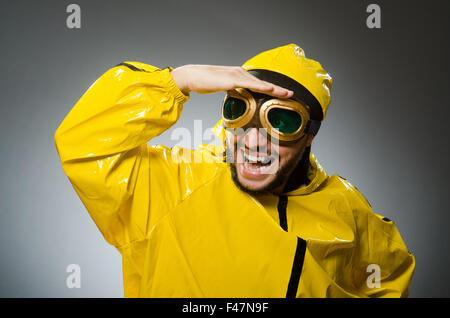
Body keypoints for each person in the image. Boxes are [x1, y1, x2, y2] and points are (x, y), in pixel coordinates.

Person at [54, 44, 415, 297]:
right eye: (240, 112)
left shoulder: (346, 210)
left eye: (282, 120)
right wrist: (176, 81)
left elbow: (387, 283)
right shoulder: (174, 184)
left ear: (308, 136)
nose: (254, 142)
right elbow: (83, 143)